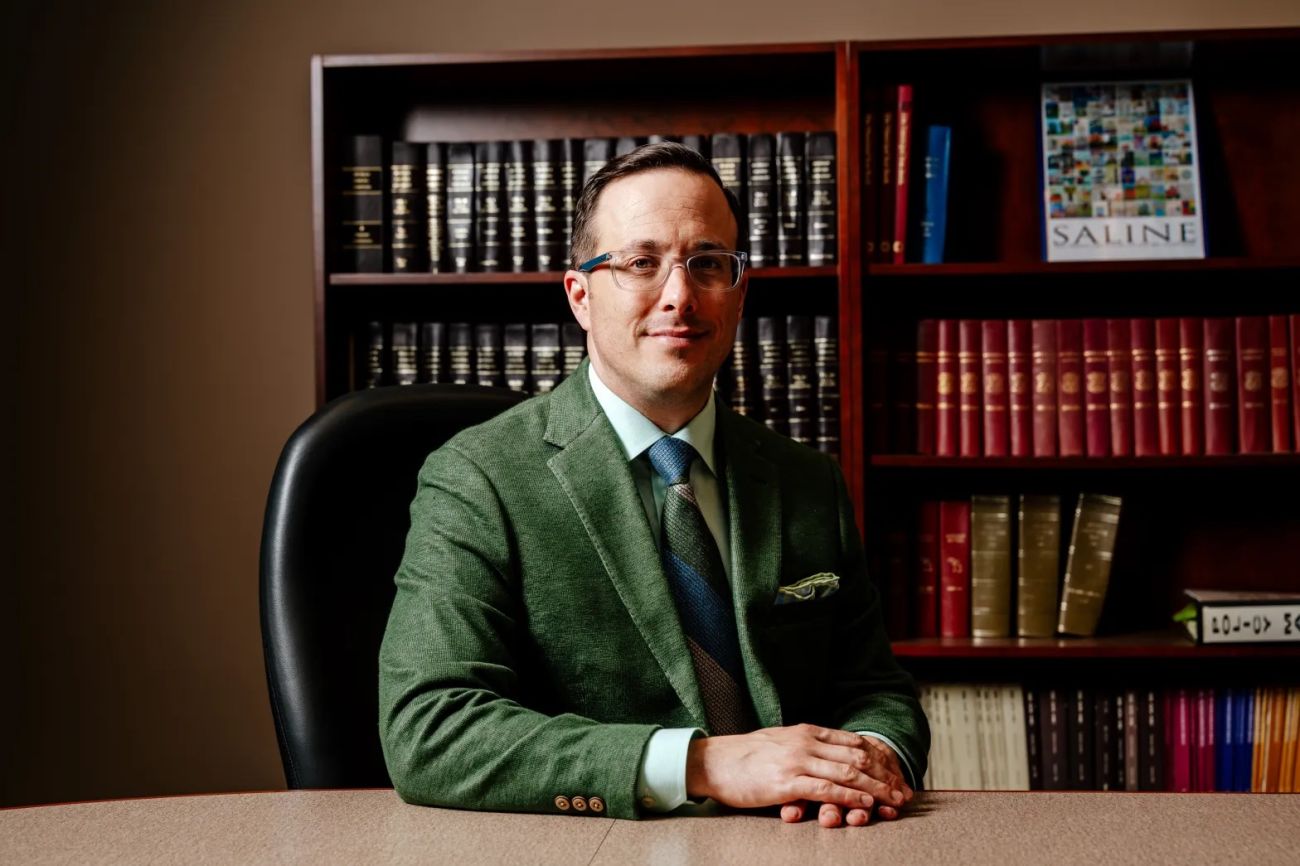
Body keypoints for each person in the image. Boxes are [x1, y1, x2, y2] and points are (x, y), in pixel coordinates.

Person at [379, 142, 928, 828]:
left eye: (707, 265)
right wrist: (702, 765)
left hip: (803, 844)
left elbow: (877, 691)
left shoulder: (806, 479)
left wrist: (864, 762)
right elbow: (432, 731)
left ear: (739, 291)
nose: (680, 296)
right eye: (642, 264)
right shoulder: (478, 478)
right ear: (580, 295)